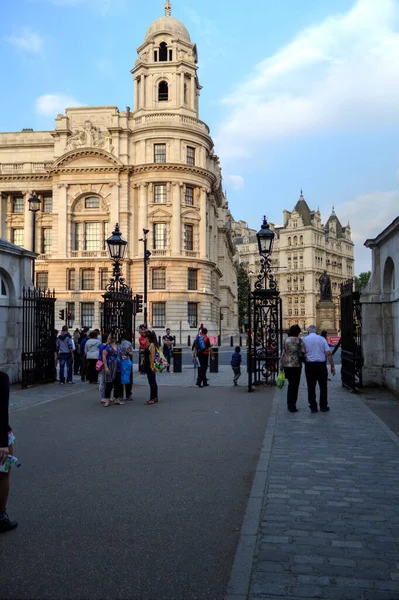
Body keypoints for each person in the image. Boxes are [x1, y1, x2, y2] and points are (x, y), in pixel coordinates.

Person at [303, 325, 336, 413]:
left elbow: (302, 352)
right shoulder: (322, 339)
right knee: (323, 386)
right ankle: (323, 406)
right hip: (321, 365)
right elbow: (328, 353)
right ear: (316, 331)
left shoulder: (305, 339)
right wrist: (332, 366)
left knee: (311, 387)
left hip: (310, 365)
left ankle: (313, 407)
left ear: (308, 331)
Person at [0, 371, 17, 533]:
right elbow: (2, 412)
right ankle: (0, 516)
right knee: (3, 474)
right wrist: (3, 444)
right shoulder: (2, 378)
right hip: (1, 437)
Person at [280, 324, 306, 412]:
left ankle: (289, 404)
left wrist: (281, 365)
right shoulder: (299, 341)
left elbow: (283, 353)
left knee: (290, 385)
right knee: (295, 386)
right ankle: (292, 405)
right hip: (296, 365)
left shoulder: (285, 340)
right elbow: (303, 352)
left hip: (287, 365)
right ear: (298, 332)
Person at [102, 334, 124, 407]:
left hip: (118, 367)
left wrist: (124, 357)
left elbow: (120, 356)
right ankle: (107, 399)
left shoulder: (118, 347)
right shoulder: (107, 347)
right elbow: (104, 356)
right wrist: (105, 367)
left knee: (117, 383)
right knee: (109, 383)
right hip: (110, 366)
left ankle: (116, 398)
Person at [144, 330, 159, 405]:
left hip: (150, 365)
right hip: (148, 365)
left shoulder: (152, 345)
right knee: (152, 381)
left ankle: (153, 398)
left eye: (146, 337)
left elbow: (152, 356)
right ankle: (154, 397)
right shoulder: (150, 344)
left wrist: (152, 366)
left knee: (152, 381)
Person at [120, 332, 133, 401]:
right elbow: (130, 353)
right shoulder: (128, 343)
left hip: (120, 362)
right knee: (128, 377)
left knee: (120, 377)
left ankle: (120, 394)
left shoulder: (118, 344)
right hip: (127, 361)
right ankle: (128, 394)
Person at [98, 334, 108, 404]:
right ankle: (104, 397)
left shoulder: (101, 345)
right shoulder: (106, 346)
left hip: (101, 363)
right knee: (105, 380)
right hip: (106, 363)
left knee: (103, 380)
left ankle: (104, 396)